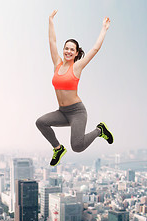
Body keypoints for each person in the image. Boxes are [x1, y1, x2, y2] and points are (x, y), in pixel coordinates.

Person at [36, 10, 114, 167]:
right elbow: (52, 41)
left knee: (77, 146)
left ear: (76, 53)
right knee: (41, 122)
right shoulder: (57, 64)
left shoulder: (77, 67)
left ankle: (100, 130)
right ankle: (58, 149)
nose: (68, 51)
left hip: (77, 112)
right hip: (62, 112)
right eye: (66, 48)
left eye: (72, 49)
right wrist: (50, 20)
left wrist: (104, 29)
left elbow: (95, 49)